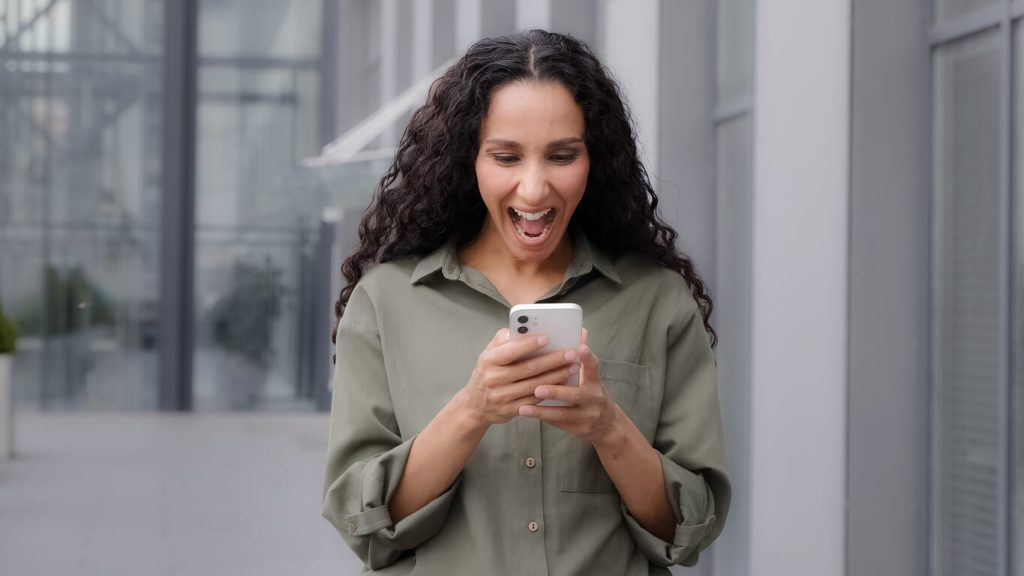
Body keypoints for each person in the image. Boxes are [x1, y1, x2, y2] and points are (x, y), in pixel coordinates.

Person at [322, 29, 730, 575]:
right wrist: (472, 411)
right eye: (506, 156)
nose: (534, 190)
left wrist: (608, 426)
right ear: (468, 158)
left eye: (562, 155)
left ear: (596, 159)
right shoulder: (386, 301)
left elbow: (689, 528)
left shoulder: (655, 300)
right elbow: (362, 522)